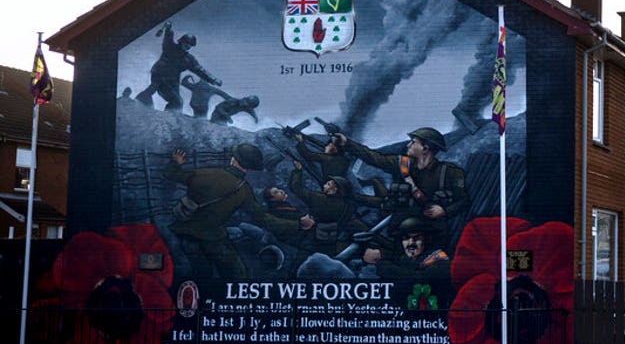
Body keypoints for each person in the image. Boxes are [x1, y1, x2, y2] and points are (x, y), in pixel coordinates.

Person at [164, 144, 307, 295]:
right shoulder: (244, 190)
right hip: (212, 237)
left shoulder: (203, 173)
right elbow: (264, 219)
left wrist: (175, 162)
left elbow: (170, 174)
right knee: (237, 274)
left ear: (233, 159)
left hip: (184, 231)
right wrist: (298, 224)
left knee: (201, 275)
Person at [334, 127, 468, 251]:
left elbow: (464, 201)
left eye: (413, 142)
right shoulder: (402, 165)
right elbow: (372, 157)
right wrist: (347, 143)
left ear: (425, 148)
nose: (408, 145)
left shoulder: (450, 173)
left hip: (430, 232)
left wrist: (444, 211)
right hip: (400, 231)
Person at [135, 21, 222, 111]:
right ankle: (137, 102)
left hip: (172, 81)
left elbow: (200, 70)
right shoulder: (170, 47)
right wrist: (169, 29)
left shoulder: (189, 59)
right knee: (154, 87)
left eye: (190, 45)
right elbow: (168, 37)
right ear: (181, 42)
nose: (187, 46)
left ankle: (169, 117)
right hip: (159, 74)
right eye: (186, 43)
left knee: (177, 102)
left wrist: (213, 79)